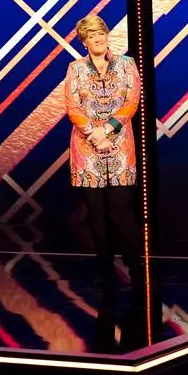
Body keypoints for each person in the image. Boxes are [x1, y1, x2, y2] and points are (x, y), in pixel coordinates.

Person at [63, 15, 143, 292]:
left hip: (120, 146)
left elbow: (132, 100)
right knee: (95, 211)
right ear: (84, 42)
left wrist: (107, 130)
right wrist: (93, 135)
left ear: (107, 35)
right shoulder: (75, 68)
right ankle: (105, 269)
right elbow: (72, 106)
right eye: (91, 36)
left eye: (100, 33)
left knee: (122, 208)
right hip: (87, 148)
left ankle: (137, 268)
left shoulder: (127, 64)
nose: (97, 39)